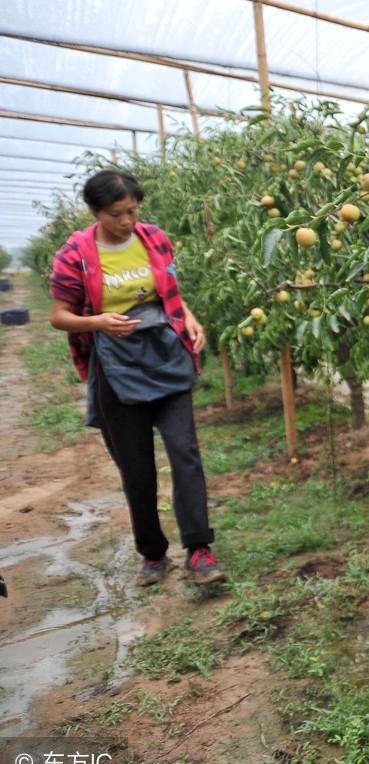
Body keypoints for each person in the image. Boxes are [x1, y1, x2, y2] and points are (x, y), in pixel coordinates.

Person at [49, 170, 226, 589]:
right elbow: (58, 316)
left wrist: (191, 321)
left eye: (133, 210)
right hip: (115, 367)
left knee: (185, 454)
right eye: (116, 214)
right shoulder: (76, 253)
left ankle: (199, 549)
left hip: (166, 356)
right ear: (95, 212)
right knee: (136, 467)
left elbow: (171, 294)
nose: (128, 221)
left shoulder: (154, 238)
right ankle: (152, 553)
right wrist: (99, 322)